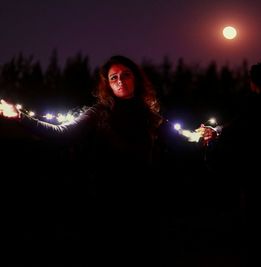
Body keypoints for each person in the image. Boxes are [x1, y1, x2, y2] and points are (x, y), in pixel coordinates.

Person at [0, 55, 164, 263]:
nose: (120, 81)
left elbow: (182, 139)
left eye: (125, 75)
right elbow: (62, 132)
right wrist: (21, 117)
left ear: (136, 79)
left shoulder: (150, 116)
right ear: (108, 84)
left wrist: (212, 133)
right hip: (107, 203)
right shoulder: (99, 113)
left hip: (143, 203)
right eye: (113, 78)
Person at [196, 60, 261, 266]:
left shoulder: (256, 105)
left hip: (255, 172)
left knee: (254, 225)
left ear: (253, 82)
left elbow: (236, 130)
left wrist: (214, 136)